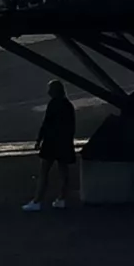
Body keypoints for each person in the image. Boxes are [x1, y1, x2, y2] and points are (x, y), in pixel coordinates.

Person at [25, 80, 78, 211]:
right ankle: (62, 198)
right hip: (64, 142)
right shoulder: (67, 105)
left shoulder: (53, 104)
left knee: (44, 172)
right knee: (63, 172)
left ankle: (37, 200)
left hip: (51, 142)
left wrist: (39, 140)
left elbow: (46, 123)